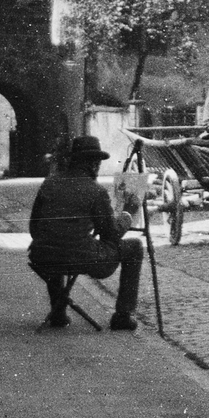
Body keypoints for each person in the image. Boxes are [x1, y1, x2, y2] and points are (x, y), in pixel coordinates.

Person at [28, 135, 143, 331]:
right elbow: (112, 235)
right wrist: (127, 214)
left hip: (42, 258)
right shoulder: (95, 190)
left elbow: (34, 228)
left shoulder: (49, 183)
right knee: (134, 247)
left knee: (56, 241)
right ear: (93, 165)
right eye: (97, 163)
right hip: (79, 258)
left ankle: (58, 313)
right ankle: (123, 315)